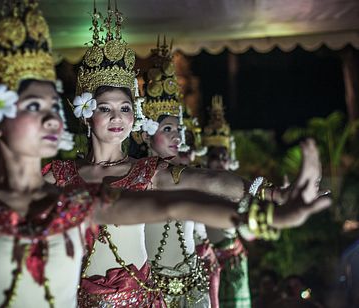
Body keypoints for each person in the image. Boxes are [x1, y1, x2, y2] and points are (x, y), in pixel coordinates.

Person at [43, 3, 329, 307]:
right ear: (86, 114)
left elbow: (209, 182)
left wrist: (271, 196)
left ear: (134, 117)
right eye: (105, 109)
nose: (117, 117)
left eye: (125, 108)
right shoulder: (58, 175)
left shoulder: (147, 173)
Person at [133, 37, 217, 308]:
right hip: (151, 292)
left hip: (193, 289)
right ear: (146, 136)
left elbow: (200, 230)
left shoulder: (190, 176)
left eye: (178, 130)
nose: (177, 137)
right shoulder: (134, 181)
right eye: (167, 129)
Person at [202, 96, 252, 308]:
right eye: (215, 156)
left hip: (233, 262)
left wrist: (244, 221)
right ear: (205, 158)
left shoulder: (239, 188)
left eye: (224, 156)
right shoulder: (196, 187)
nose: (220, 161)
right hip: (205, 259)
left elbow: (251, 233)